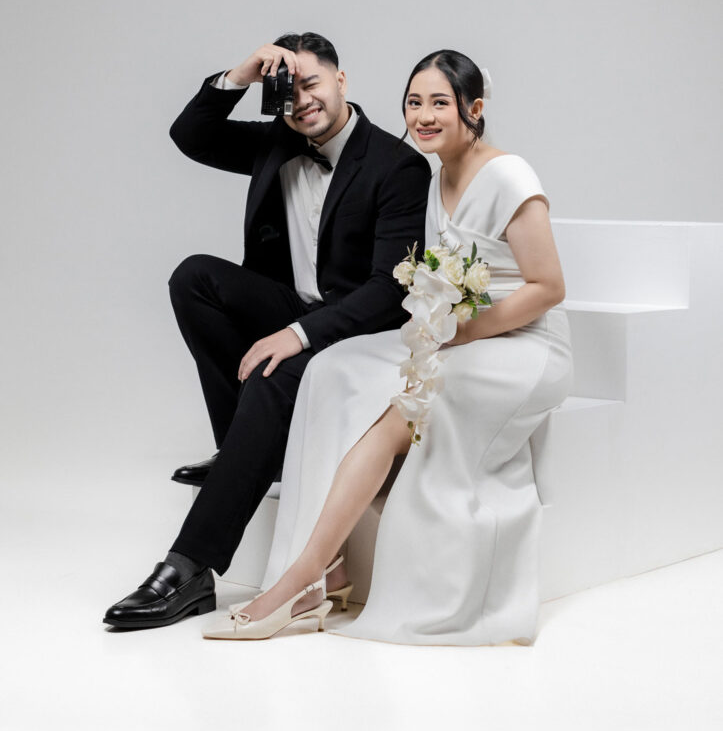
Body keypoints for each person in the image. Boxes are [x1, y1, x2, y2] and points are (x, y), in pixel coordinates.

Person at [202, 49, 573, 645]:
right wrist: (440, 322)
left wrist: (459, 331)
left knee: (398, 411)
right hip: (457, 334)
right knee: (331, 367)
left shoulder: (508, 176)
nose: (423, 116)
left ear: (474, 109)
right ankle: (332, 566)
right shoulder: (434, 177)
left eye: (440, 103)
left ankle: (299, 582)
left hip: (524, 346)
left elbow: (549, 288)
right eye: (413, 102)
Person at [103, 32, 431, 630]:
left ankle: (191, 567)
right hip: (290, 306)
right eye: (288, 90)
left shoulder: (397, 165)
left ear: (341, 81)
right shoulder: (277, 143)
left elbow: (389, 289)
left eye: (312, 84)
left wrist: (299, 335)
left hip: (359, 328)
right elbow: (190, 135)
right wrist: (243, 73)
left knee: (274, 375)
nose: (302, 102)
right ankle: (244, 447)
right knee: (193, 278)